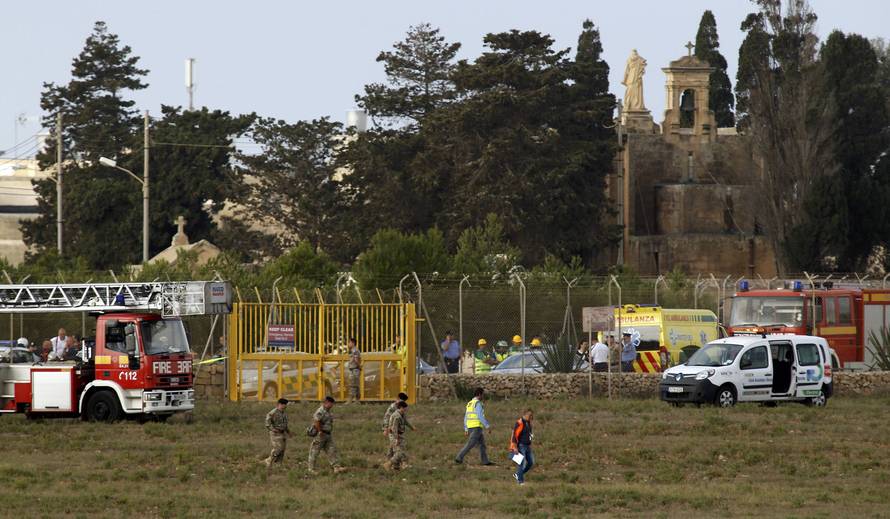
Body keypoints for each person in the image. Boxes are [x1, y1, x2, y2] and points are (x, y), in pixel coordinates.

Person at [454, 388, 494, 466]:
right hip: (476, 427)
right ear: (479, 394)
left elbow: (466, 417)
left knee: (482, 445)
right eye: (482, 394)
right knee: (470, 444)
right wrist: (487, 426)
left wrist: (465, 428)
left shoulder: (470, 403)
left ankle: (485, 461)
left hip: (470, 427)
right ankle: (459, 457)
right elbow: (480, 416)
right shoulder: (478, 403)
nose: (483, 396)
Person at [308, 396, 346, 474]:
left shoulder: (328, 411)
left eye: (332, 404)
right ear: (326, 403)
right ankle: (311, 469)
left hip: (328, 435)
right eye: (330, 403)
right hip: (321, 435)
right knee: (314, 451)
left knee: (332, 450)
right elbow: (316, 421)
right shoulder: (320, 411)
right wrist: (319, 431)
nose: (332, 405)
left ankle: (336, 467)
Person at [383, 392, 414, 459]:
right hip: (392, 429)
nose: (402, 401)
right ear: (398, 398)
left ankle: (388, 459)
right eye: (401, 400)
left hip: (398, 429)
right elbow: (387, 417)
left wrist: (411, 427)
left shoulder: (402, 406)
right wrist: (385, 428)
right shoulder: (393, 406)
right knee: (397, 446)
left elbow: (404, 419)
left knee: (393, 445)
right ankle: (393, 463)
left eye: (404, 400)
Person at [263, 398, 292, 467]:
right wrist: (272, 429)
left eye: (286, 405)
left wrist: (288, 432)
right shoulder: (273, 412)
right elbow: (267, 422)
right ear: (280, 404)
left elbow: (285, 424)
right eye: (284, 404)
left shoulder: (284, 413)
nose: (286, 406)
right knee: (278, 448)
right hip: (275, 434)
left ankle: (278, 464)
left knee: (282, 450)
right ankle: (269, 460)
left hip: (283, 433)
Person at [509, 409, 535, 485]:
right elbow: (514, 435)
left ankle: (518, 474)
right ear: (525, 414)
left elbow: (530, 434)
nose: (531, 417)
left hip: (527, 446)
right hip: (521, 446)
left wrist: (530, 443)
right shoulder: (519, 423)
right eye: (530, 415)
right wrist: (514, 447)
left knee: (531, 462)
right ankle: (520, 481)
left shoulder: (529, 423)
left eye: (532, 415)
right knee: (521, 463)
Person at [383, 401, 410, 471]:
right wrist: (386, 429)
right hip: (394, 434)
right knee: (399, 451)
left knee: (393, 450)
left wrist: (412, 427)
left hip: (398, 434)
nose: (406, 410)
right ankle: (389, 463)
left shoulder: (401, 413)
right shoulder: (395, 412)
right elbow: (393, 427)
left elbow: (405, 421)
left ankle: (395, 466)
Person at [346, 337, 362, 403]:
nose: (348, 344)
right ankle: (357, 400)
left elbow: (356, 360)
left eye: (349, 342)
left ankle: (350, 400)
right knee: (356, 385)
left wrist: (359, 366)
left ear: (353, 343)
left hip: (354, 369)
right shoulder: (353, 350)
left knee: (352, 385)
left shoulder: (355, 350)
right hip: (354, 369)